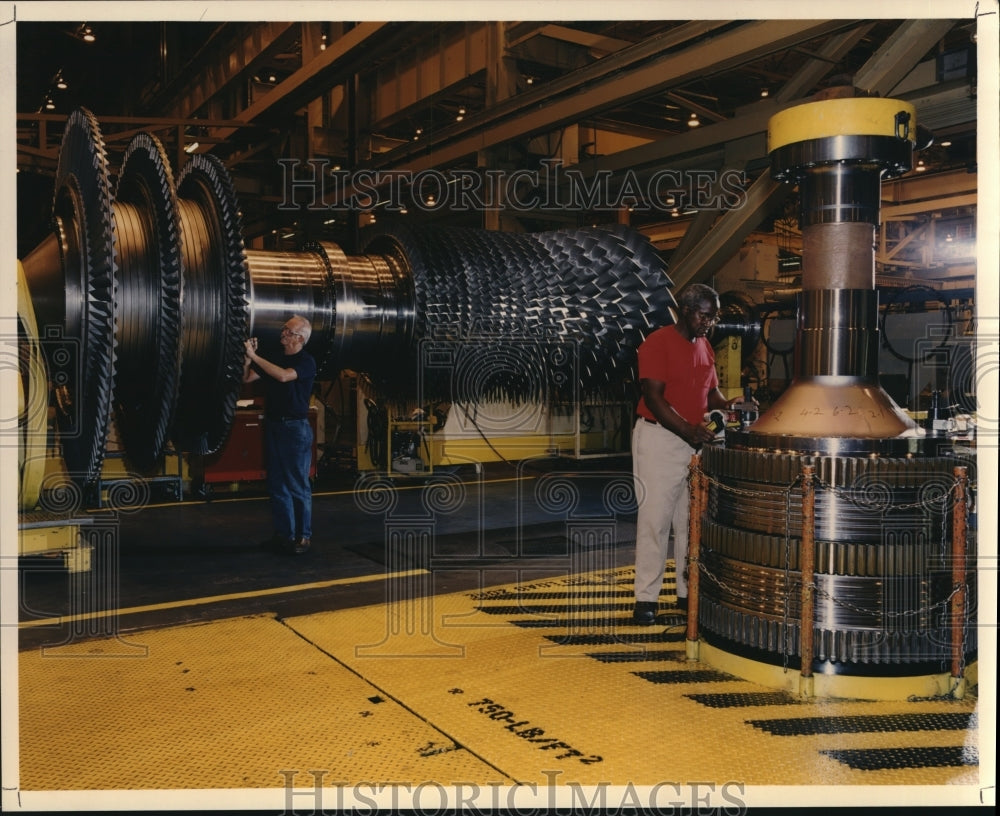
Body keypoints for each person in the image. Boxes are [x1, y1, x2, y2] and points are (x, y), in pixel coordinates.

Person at [631, 284, 752, 625]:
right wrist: (687, 430)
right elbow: (654, 397)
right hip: (660, 439)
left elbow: (710, 394)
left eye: (713, 317)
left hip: (694, 442)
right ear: (685, 310)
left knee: (690, 522)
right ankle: (646, 599)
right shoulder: (657, 343)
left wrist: (730, 406)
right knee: (655, 521)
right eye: (704, 315)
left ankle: (687, 593)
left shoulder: (706, 348)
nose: (709, 323)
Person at [243, 315, 317, 555]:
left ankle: (303, 537)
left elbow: (284, 376)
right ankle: (283, 534)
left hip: (295, 429)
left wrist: (255, 357)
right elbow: (247, 378)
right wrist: (248, 359)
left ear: (299, 337)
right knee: (277, 484)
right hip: (274, 425)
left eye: (288, 330)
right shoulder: (275, 357)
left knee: (297, 485)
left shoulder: (306, 361)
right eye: (284, 329)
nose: (283, 333)